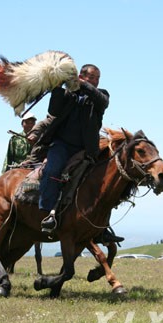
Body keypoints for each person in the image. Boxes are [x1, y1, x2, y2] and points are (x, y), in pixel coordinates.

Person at [32, 64, 124, 243]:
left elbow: (101, 100)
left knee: (103, 181)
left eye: (98, 78)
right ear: (82, 75)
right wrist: (57, 86)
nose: (96, 81)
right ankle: (47, 214)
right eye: (92, 77)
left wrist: (80, 84)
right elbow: (53, 110)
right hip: (62, 145)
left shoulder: (101, 94)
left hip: (88, 148)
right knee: (52, 171)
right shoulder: (68, 93)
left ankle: (103, 227)